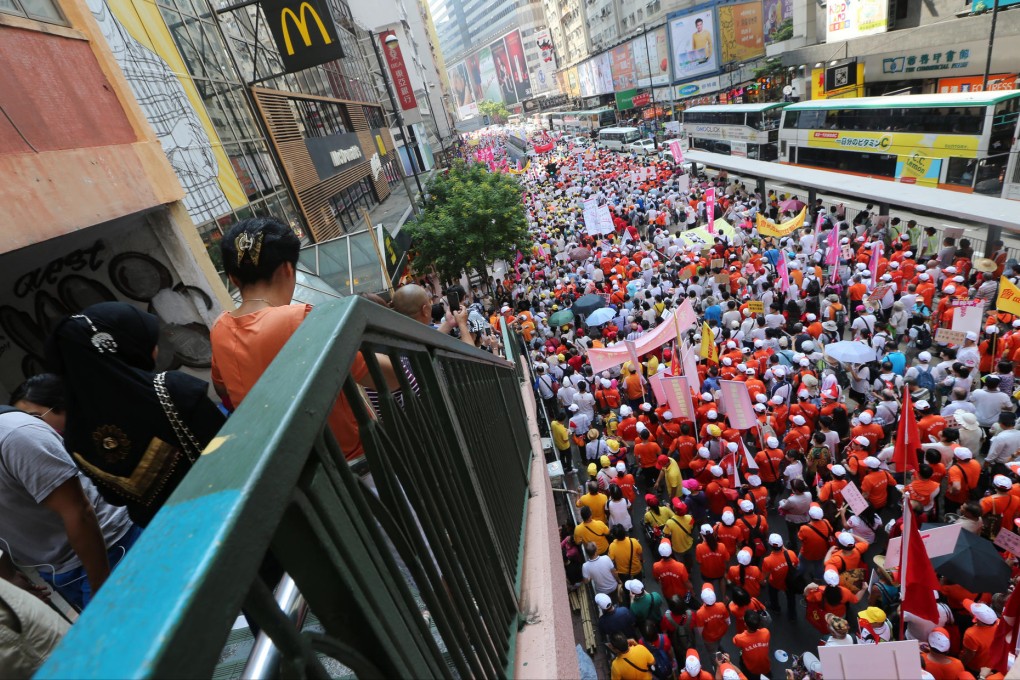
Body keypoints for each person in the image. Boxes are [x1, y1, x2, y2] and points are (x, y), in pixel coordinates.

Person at [210, 217, 398, 462]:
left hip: (281, 463)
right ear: (289, 269)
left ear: (233, 279)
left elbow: (221, 387)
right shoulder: (298, 319)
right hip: (351, 461)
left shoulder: (220, 328)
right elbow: (389, 378)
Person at [45, 303, 226, 527]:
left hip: (170, 541)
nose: (156, 346)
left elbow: (115, 498)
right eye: (148, 340)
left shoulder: (75, 439)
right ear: (125, 348)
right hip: (228, 511)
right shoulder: (170, 391)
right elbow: (228, 449)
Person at [0, 408, 137, 610]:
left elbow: (78, 511)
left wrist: (99, 588)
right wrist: (9, 577)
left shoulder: (15, 436)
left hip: (108, 547)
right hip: (58, 569)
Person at [732, 610, 771, 678]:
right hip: (765, 665)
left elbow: (735, 642)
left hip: (751, 669)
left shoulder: (740, 638)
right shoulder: (766, 632)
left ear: (745, 624)